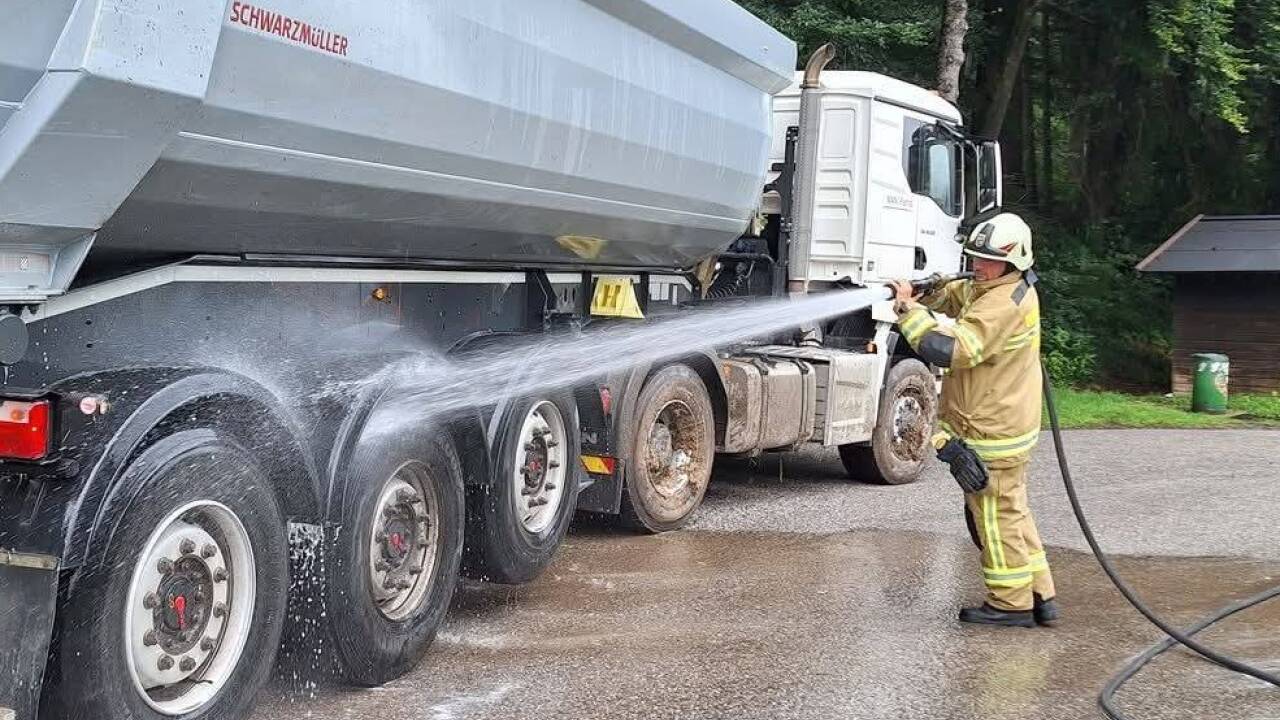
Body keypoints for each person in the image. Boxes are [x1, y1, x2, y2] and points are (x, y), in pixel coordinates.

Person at [891, 213, 1059, 628]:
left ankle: (1009, 604)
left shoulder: (1003, 304)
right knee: (1012, 509)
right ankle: (1041, 594)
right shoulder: (997, 286)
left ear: (1014, 262)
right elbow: (960, 293)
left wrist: (908, 313)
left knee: (991, 515)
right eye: (973, 258)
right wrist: (926, 290)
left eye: (987, 261)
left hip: (992, 428)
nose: (977, 267)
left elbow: (952, 349)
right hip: (1005, 420)